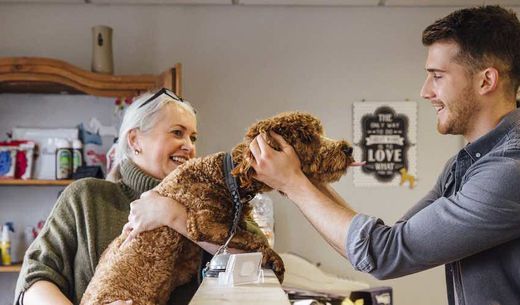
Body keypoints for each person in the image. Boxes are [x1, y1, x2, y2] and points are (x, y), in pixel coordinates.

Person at [248, 5, 520, 305]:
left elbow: (384, 253)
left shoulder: (509, 170)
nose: (425, 91)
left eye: (437, 76)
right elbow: (381, 243)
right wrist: (303, 179)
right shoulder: (465, 164)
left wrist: (293, 184)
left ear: (486, 81)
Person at [14, 88, 261, 305]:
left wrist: (174, 216)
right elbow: (35, 278)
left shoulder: (211, 205)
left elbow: (258, 262)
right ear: (135, 140)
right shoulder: (88, 198)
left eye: (192, 137)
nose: (189, 145)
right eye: (177, 132)